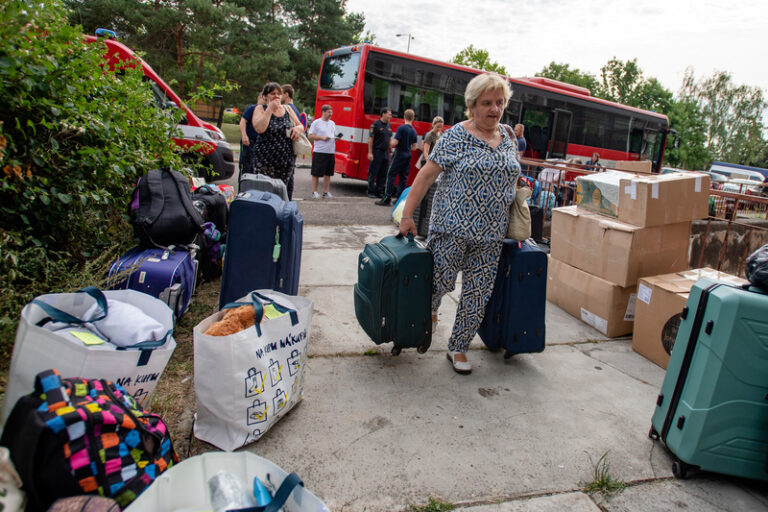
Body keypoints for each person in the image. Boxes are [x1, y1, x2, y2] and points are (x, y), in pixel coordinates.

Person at [398, 73, 521, 374]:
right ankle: (421, 322)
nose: (495, 109)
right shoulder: (455, 136)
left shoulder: (508, 136)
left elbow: (512, 175)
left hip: (492, 234)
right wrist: (406, 215)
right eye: (487, 103)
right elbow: (426, 175)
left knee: (478, 293)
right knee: (437, 286)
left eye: (500, 103)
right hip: (452, 228)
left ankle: (459, 347)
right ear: (472, 105)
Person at [251, 82, 305, 200]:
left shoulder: (288, 109)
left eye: (278, 94)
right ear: (265, 96)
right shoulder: (260, 109)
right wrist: (270, 109)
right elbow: (260, 128)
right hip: (265, 160)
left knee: (281, 192)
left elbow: (301, 126)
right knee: (264, 192)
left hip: (285, 159)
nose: (276, 96)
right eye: (272, 93)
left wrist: (297, 129)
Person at [375, 109, 418, 206]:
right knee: (403, 177)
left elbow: (395, 142)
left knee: (391, 175)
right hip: (408, 154)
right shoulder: (414, 131)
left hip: (399, 153)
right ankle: (399, 198)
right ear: (413, 118)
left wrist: (389, 142)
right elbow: (414, 147)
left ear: (404, 117)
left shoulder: (401, 128)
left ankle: (387, 198)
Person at [307, 104, 340, 199]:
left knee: (328, 173)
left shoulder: (332, 123)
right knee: (316, 173)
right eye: (329, 112)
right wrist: (322, 138)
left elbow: (334, 134)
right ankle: (314, 192)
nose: (331, 114)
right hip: (320, 151)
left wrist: (336, 138)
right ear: (323, 112)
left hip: (330, 151)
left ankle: (326, 192)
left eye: (331, 112)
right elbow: (310, 136)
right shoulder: (316, 122)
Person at [367, 108, 393, 198]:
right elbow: (371, 139)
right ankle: (370, 191)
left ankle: (379, 191)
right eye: (389, 114)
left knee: (383, 173)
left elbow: (389, 139)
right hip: (377, 151)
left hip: (385, 153)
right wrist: (370, 153)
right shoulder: (375, 125)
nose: (391, 116)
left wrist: (391, 151)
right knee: (373, 172)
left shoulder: (389, 125)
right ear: (383, 114)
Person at [238, 95, 265, 177]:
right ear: (259, 98)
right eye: (263, 99)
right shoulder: (252, 108)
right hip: (249, 141)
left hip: (259, 143)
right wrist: (244, 135)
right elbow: (242, 122)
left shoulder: (266, 111)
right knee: (245, 167)